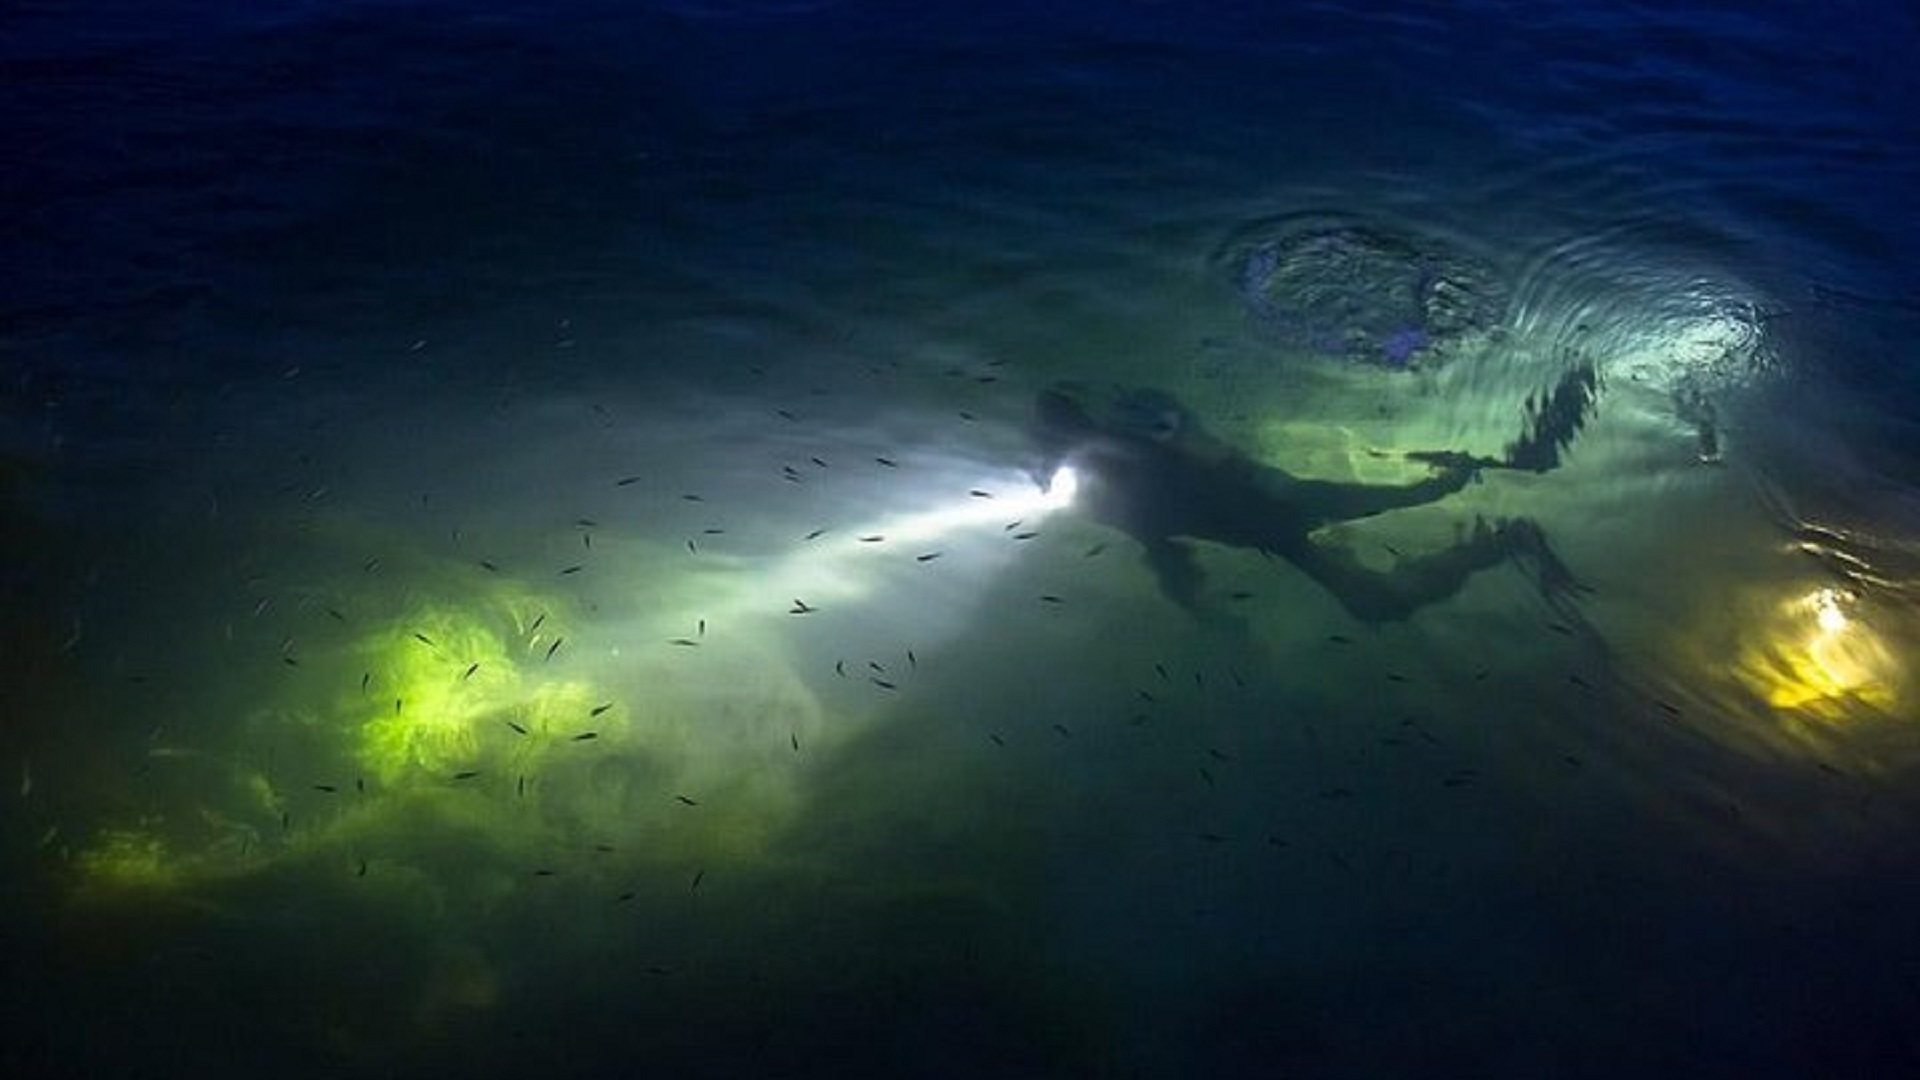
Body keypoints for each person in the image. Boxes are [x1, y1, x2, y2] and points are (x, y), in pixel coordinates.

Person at [1031, 380, 1587, 623]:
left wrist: (1258, 484)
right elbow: (1166, 553)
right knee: (1375, 604)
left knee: (1424, 492)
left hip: (1283, 505)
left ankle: (1512, 457)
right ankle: (1509, 536)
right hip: (1275, 532)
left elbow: (1207, 455)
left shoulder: (1138, 436)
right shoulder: (1104, 499)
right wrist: (1200, 608)